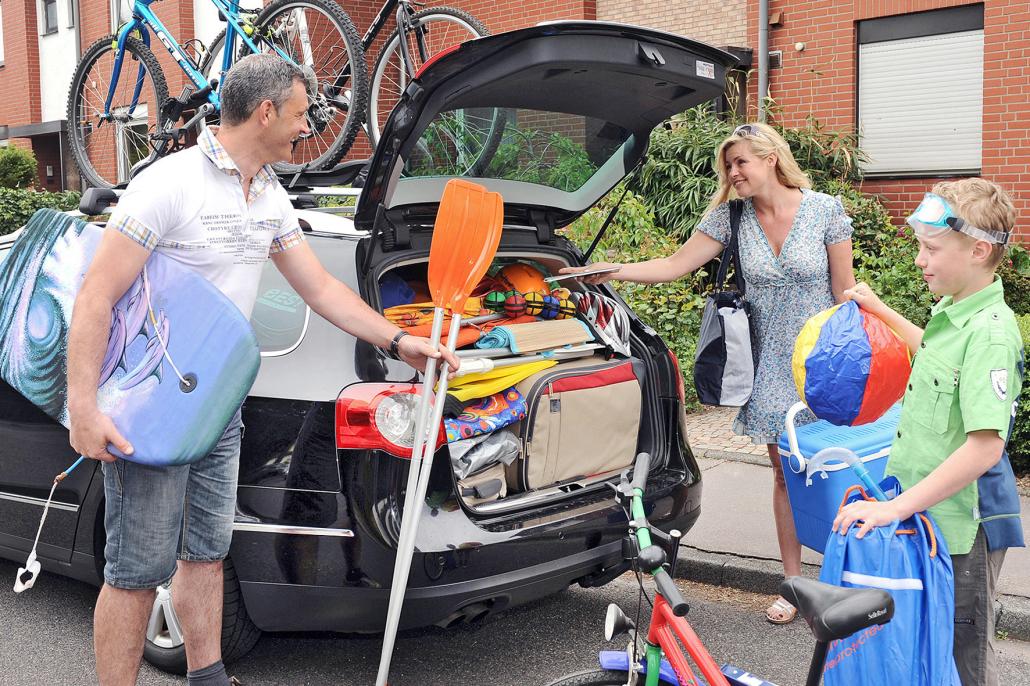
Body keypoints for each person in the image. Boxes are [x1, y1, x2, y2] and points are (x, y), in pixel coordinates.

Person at [65, 54, 458, 686]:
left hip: (219, 406)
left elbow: (320, 288)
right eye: (302, 113)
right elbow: (95, 296)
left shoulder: (268, 195)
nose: (310, 126)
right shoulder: (169, 184)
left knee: (207, 554)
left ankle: (208, 675)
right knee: (136, 571)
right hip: (152, 409)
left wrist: (397, 340)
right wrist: (84, 407)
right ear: (266, 111)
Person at [560, 122, 856, 624]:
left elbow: (846, 291)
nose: (733, 172)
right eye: (728, 165)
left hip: (826, 363)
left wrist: (871, 353)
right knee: (786, 477)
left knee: (837, 473)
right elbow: (675, 265)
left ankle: (843, 579)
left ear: (770, 159)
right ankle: (795, 585)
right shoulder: (730, 218)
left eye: (741, 162)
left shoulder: (825, 210)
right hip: (768, 370)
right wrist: (612, 271)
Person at [833, 179, 1024, 686]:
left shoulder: (990, 332)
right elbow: (934, 355)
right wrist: (880, 312)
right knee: (927, 649)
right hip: (929, 517)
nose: (920, 259)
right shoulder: (953, 312)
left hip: (964, 529)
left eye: (932, 248)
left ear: (979, 250)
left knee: (962, 661)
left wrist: (896, 507)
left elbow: (985, 448)